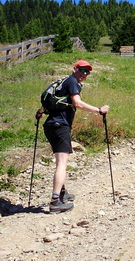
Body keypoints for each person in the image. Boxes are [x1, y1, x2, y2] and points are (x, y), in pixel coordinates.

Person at [36, 60, 110, 214]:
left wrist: (40, 111)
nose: (84, 74)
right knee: (62, 163)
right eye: (82, 69)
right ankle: (55, 201)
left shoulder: (62, 82)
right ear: (74, 68)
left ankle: (62, 193)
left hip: (51, 125)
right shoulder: (72, 81)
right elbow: (78, 103)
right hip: (60, 125)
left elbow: (49, 99)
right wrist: (99, 110)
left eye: (87, 72)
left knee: (60, 161)